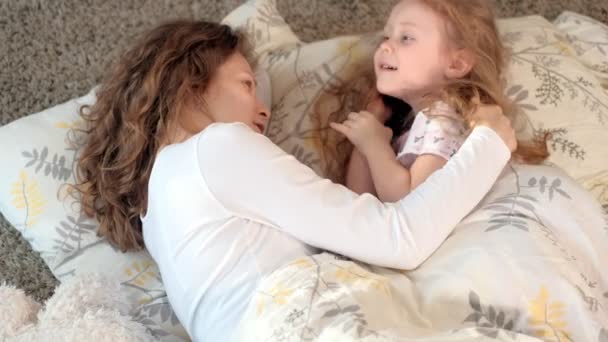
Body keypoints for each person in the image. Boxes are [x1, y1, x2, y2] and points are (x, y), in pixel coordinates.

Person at [72, 20, 516, 341]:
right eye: (247, 85)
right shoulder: (216, 148)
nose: (264, 110)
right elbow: (399, 239)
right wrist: (490, 143)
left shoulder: (155, 212)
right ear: (190, 86)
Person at [333, 0, 548, 202]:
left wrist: (373, 144)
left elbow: (413, 204)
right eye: (386, 37)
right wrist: (372, 123)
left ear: (456, 63)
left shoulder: (445, 120)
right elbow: (361, 202)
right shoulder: (418, 123)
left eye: (406, 38)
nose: (385, 47)